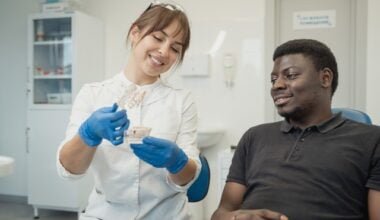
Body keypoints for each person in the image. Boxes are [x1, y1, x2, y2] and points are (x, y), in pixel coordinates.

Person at [56, 2, 201, 220]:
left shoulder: (182, 101)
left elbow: (187, 179)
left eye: (175, 48)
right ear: (135, 32)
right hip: (105, 214)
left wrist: (177, 161)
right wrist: (88, 135)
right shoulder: (93, 94)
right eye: (158, 38)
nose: (164, 51)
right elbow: (68, 170)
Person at [212, 39, 380, 220]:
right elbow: (221, 213)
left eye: (290, 75)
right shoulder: (254, 137)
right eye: (273, 79)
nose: (277, 85)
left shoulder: (371, 140)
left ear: (325, 78)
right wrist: (237, 218)